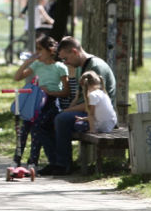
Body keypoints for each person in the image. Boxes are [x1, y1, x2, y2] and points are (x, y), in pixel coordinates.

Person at [38, 36, 116, 176]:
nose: (65, 63)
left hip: (97, 116)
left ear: (74, 51)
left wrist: (65, 112)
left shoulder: (95, 67)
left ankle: (63, 165)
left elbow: (90, 104)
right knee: (44, 122)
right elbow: (77, 97)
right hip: (86, 111)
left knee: (61, 119)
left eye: (66, 58)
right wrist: (64, 110)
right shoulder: (80, 67)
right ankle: (54, 162)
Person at [12, 35, 69, 174]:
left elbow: (66, 92)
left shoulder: (60, 67)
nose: (37, 52)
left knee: (36, 127)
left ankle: (33, 162)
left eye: (40, 49)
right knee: (24, 127)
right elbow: (17, 77)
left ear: (51, 50)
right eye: (36, 49)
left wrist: (50, 92)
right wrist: (27, 63)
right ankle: (16, 160)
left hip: (51, 103)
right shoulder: (37, 65)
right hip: (37, 102)